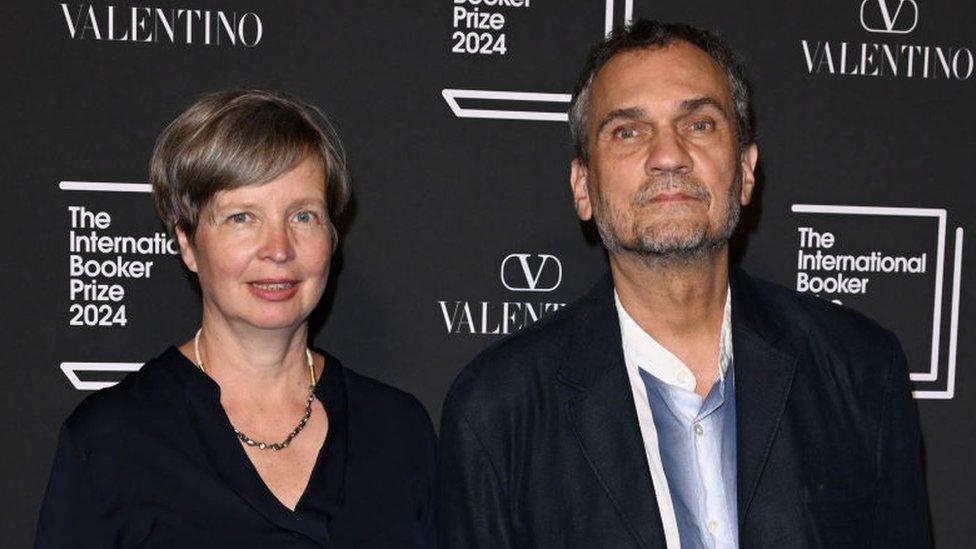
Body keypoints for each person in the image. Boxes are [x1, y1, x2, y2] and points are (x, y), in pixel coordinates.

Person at [438, 20, 930, 548]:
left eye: (698, 124)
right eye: (628, 131)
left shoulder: (859, 369)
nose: (668, 155)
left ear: (744, 171)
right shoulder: (498, 409)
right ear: (583, 186)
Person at [36, 89, 436, 548]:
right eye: (242, 217)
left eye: (303, 216)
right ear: (187, 241)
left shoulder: (397, 430)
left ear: (333, 234)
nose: (279, 249)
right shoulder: (112, 440)